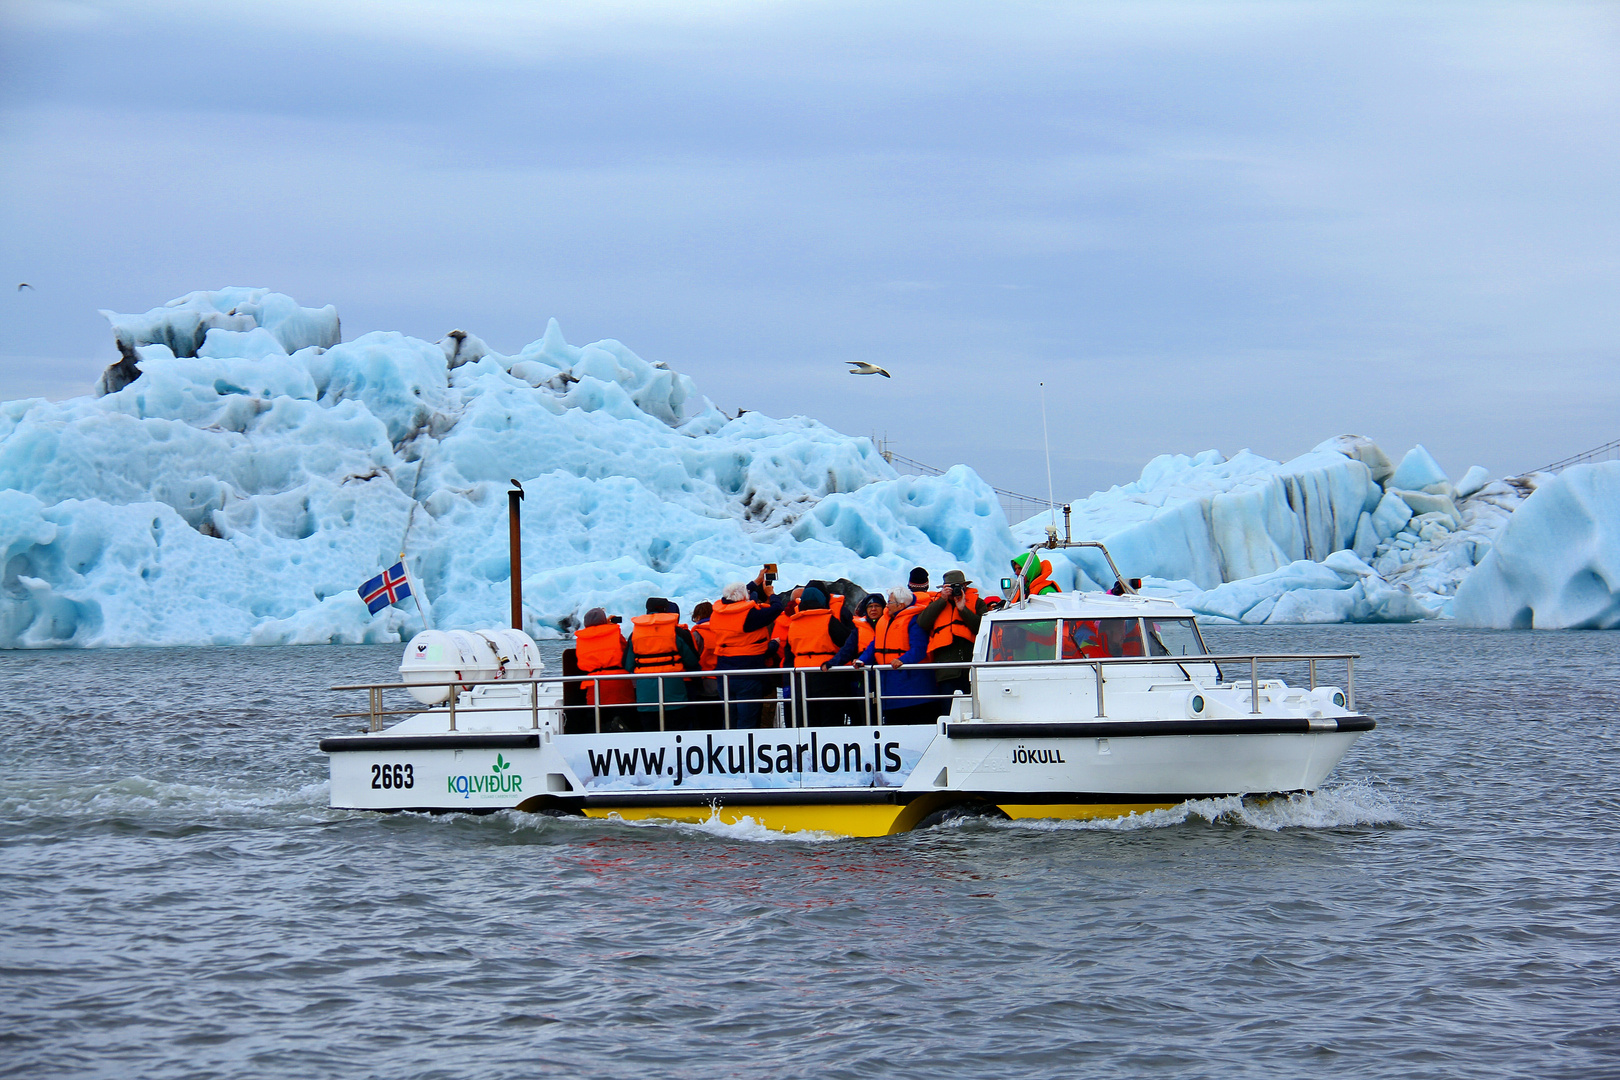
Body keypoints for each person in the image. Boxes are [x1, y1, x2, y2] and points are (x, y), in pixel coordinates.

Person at [707, 569, 789, 728]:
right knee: (747, 720)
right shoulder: (750, 616)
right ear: (744, 598)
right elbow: (777, 608)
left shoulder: (717, 613)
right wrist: (771, 594)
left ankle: (730, 750)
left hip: (724, 673)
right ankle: (745, 751)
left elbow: (729, 598)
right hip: (748, 673)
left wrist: (756, 581)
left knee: (729, 719)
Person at [853, 588, 936, 724]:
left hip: (913, 688)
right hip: (889, 685)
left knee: (914, 723)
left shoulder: (914, 621)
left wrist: (902, 660)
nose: (886, 605)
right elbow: (875, 645)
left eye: (890, 602)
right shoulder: (885, 621)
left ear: (900, 605)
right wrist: (862, 659)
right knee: (893, 721)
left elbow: (919, 648)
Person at [625, 598, 701, 729]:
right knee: (678, 734)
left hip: (646, 697)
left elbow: (627, 664)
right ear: (666, 610)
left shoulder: (634, 635)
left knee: (652, 738)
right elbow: (692, 661)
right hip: (675, 695)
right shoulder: (678, 633)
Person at [918, 569, 986, 714]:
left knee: (974, 709)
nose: (955, 591)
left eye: (959, 587)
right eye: (950, 587)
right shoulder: (936, 604)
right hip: (946, 671)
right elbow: (923, 623)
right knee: (947, 710)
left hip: (971, 669)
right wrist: (942, 600)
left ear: (965, 587)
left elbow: (982, 629)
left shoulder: (977, 603)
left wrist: (963, 609)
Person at [784, 586, 854, 726]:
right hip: (827, 673)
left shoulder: (794, 623)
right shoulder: (829, 620)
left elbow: (789, 649)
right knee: (830, 718)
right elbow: (847, 641)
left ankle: (809, 746)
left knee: (807, 718)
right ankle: (832, 745)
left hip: (802, 675)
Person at [572, 607, 635, 732]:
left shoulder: (582, 639)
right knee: (626, 719)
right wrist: (610, 626)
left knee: (597, 721)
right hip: (618, 683)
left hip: (594, 686)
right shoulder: (614, 633)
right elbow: (626, 652)